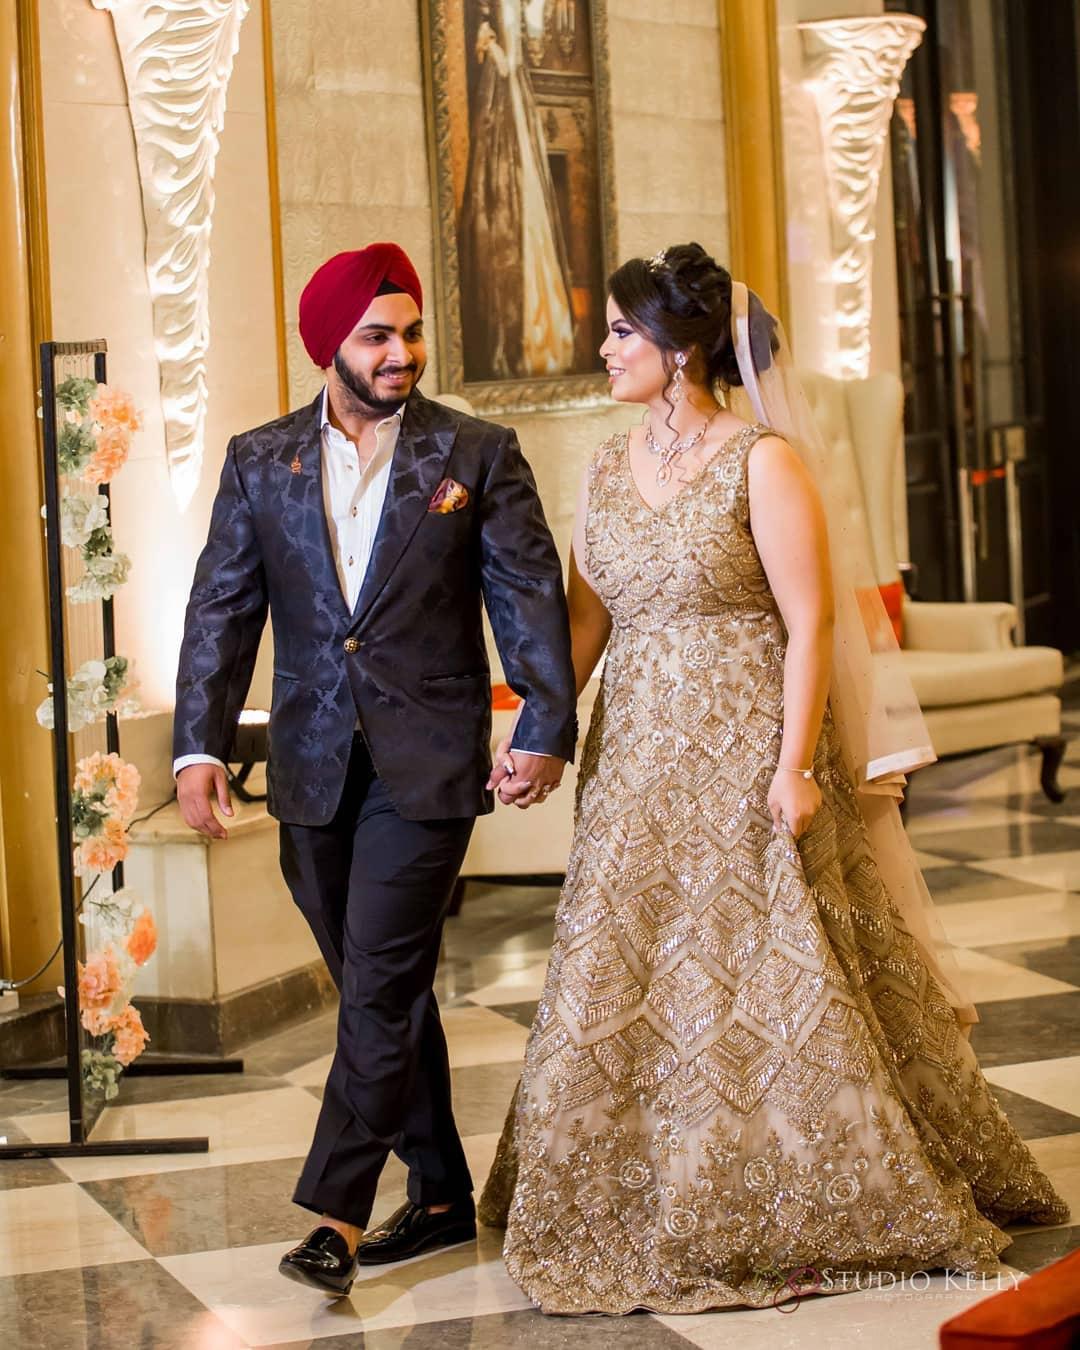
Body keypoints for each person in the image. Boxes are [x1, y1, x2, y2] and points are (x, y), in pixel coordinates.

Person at [479, 243, 1067, 1314]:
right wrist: (537, 736)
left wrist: (794, 765)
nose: (603, 349)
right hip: (637, 758)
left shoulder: (762, 461)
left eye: (621, 331)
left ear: (681, 346)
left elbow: (810, 624)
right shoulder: (606, 471)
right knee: (629, 965)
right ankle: (632, 1182)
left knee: (771, 966)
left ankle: (807, 1187)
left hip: (747, 742)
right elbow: (584, 625)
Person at [172, 242, 577, 1297]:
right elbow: (223, 608)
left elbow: (527, 595)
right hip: (308, 762)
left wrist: (542, 722)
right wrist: (200, 742)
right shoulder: (261, 461)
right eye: (377, 336)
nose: (402, 353)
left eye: (410, 333)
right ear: (329, 347)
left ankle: (335, 1218)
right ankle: (441, 1192)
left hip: (429, 763)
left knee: (381, 982)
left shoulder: (474, 452)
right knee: (376, 991)